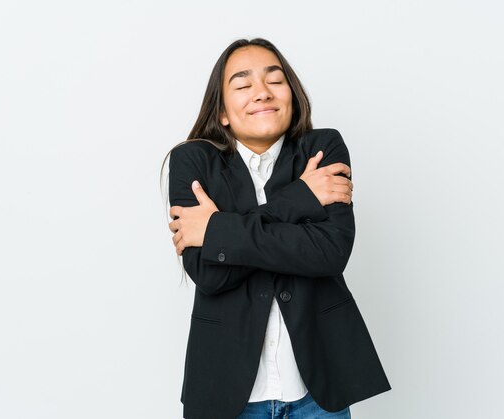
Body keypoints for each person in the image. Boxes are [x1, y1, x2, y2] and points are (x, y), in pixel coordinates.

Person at [162, 38, 390, 419]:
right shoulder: (192, 160)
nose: (262, 93)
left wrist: (219, 231)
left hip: (318, 394)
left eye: (275, 80)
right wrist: (300, 198)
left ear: (293, 95)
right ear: (221, 112)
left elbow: (329, 253)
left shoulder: (323, 149)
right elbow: (209, 273)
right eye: (242, 84)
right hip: (227, 392)